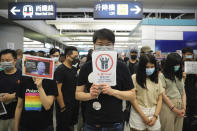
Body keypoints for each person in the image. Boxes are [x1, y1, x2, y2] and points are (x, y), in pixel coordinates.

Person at [75, 28, 136, 131]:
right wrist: (90, 95)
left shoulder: (121, 67)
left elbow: (132, 95)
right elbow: (77, 94)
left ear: (113, 45)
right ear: (94, 45)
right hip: (91, 123)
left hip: (114, 123)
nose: (104, 47)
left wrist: (112, 91)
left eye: (108, 44)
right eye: (100, 44)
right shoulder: (86, 67)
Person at [129, 54, 164, 131]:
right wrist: (143, 116)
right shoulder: (134, 78)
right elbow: (133, 99)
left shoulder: (157, 79)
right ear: (142, 67)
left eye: (152, 67)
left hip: (154, 112)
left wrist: (155, 116)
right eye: (147, 67)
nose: (150, 69)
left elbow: (160, 99)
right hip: (138, 112)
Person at [54, 46, 80, 131]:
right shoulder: (60, 70)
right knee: (63, 127)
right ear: (68, 56)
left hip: (74, 104)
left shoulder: (74, 69)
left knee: (71, 125)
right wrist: (62, 107)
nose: (77, 58)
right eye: (75, 56)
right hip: (65, 105)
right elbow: (58, 89)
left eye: (77, 56)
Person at [159, 53, 186, 131]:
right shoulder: (162, 76)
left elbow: (183, 93)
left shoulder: (179, 76)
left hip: (180, 105)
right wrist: (174, 109)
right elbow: (163, 94)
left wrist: (184, 107)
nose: (177, 66)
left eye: (179, 64)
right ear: (169, 65)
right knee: (168, 128)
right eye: (175, 64)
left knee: (178, 129)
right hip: (168, 106)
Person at [0, 49, 21, 131]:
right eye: (2, 60)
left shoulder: (22, 75)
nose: (5, 62)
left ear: (15, 61)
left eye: (8, 60)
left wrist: (12, 96)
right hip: (1, 116)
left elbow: (27, 92)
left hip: (16, 115)